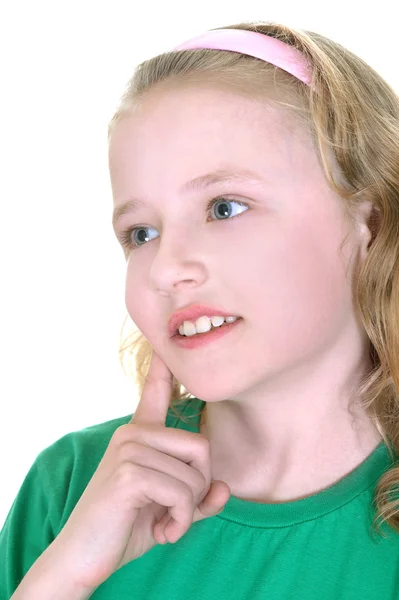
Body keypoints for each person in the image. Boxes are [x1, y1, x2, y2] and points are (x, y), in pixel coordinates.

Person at [1, 20, 399, 600]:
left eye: (224, 207)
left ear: (372, 219)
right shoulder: (71, 488)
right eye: (140, 233)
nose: (165, 268)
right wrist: (63, 578)